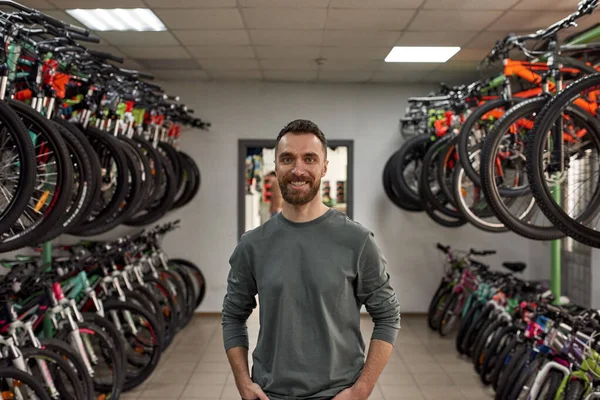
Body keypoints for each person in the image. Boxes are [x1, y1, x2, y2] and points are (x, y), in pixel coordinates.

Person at [222, 119, 401, 400]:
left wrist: (361, 390)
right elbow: (233, 316)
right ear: (276, 165)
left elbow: (388, 316)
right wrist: (244, 382)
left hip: (338, 393)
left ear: (324, 167)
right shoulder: (253, 244)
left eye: (309, 158)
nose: (297, 169)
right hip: (271, 394)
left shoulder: (357, 241)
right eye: (287, 158)